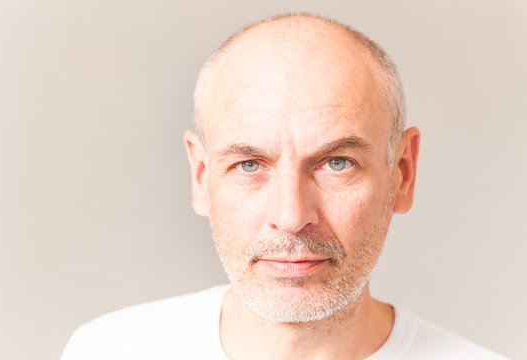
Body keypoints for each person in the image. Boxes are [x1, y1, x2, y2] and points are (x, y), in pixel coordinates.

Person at [61, 13, 506, 360]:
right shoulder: (106, 350)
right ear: (201, 176)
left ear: (402, 173)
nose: (292, 216)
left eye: (337, 163)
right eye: (249, 164)